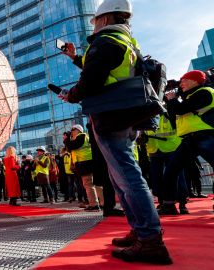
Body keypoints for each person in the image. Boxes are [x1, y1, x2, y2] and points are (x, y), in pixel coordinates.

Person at [56, 0, 172, 264]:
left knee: (127, 176)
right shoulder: (126, 42)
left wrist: (71, 96)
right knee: (121, 176)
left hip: (111, 116)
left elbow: (91, 81)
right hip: (126, 114)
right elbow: (102, 70)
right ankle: (140, 230)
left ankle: (150, 239)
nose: (94, 25)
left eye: (95, 21)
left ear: (105, 19)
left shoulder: (106, 42)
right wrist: (75, 57)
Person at [161, 70, 214, 213]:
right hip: (190, 139)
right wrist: (172, 98)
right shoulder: (189, 96)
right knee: (171, 170)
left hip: (207, 136)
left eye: (184, 80)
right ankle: (168, 204)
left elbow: (181, 109)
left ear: (195, 81)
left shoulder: (205, 92)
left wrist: (172, 99)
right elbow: (175, 113)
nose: (181, 83)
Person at [65, 125, 100, 211]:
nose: (72, 131)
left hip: (85, 163)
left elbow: (71, 146)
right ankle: (101, 203)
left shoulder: (81, 136)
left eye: (73, 129)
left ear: (79, 130)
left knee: (88, 184)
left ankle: (94, 205)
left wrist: (66, 139)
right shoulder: (84, 137)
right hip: (87, 162)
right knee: (94, 184)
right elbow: (70, 149)